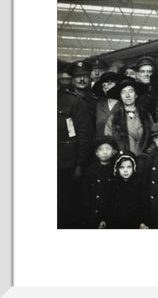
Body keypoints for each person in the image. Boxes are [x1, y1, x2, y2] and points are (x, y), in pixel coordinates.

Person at [57, 65, 92, 228]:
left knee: (68, 204)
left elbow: (84, 135)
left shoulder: (72, 101)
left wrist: (79, 164)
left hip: (67, 164)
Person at [104, 78, 153, 156]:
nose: (127, 95)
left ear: (136, 95)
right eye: (123, 92)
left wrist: (147, 154)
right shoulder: (114, 118)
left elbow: (154, 137)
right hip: (123, 162)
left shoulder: (146, 115)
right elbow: (108, 140)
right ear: (120, 96)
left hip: (144, 160)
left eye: (131, 91)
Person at [82, 137, 118, 228]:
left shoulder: (116, 169)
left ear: (114, 151)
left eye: (108, 149)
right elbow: (86, 192)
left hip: (111, 212)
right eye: (101, 150)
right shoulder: (91, 170)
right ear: (96, 153)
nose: (105, 152)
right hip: (95, 211)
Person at [107, 150, 146, 229]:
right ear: (117, 168)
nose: (125, 170)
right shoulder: (114, 185)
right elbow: (109, 205)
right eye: (122, 167)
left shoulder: (138, 185)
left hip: (134, 223)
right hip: (117, 223)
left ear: (134, 167)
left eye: (129, 167)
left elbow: (143, 205)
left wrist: (142, 222)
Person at [91, 72, 124, 138]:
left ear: (117, 85)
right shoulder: (99, 105)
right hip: (102, 146)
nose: (106, 87)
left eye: (110, 84)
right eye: (104, 85)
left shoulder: (124, 104)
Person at [67, 60, 98, 127]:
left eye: (85, 76)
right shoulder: (67, 100)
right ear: (72, 80)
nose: (82, 79)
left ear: (90, 80)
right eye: (78, 76)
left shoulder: (95, 102)